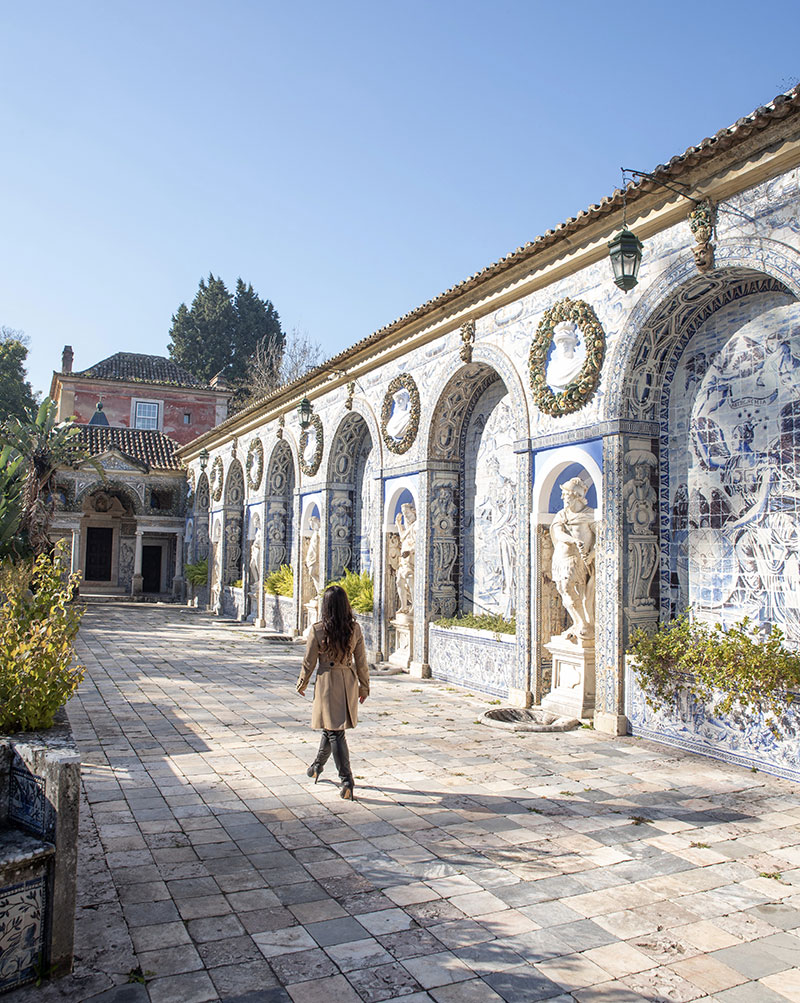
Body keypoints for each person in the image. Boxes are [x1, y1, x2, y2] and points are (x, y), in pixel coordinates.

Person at [296, 585, 370, 799]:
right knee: (331, 729)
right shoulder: (354, 629)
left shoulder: (318, 629)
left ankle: (347, 780)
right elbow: (362, 661)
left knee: (335, 731)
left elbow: (309, 662)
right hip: (348, 681)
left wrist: (302, 683)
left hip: (327, 682)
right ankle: (317, 766)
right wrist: (364, 686)